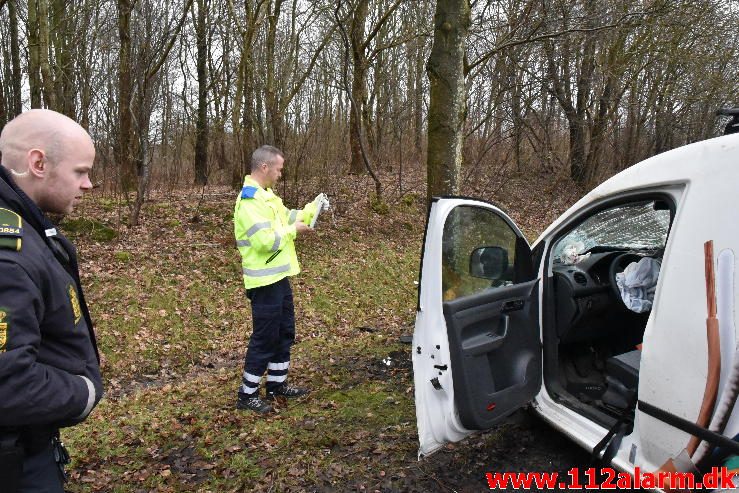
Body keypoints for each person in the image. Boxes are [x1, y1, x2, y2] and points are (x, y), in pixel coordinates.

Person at [0, 109, 103, 492]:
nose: (89, 184)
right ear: (38, 163)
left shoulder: (23, 224)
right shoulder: (8, 257)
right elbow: (8, 383)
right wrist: (85, 392)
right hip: (16, 464)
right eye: (80, 171)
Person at [234, 145, 326, 414]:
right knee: (265, 337)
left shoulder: (267, 197)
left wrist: (312, 209)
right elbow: (264, 241)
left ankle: (276, 384)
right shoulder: (250, 201)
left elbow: (287, 217)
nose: (280, 174)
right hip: (264, 284)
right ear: (264, 167)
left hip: (279, 278)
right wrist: (293, 231)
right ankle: (247, 394)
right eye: (278, 169)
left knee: (284, 332)